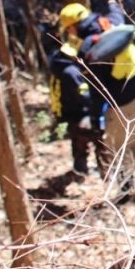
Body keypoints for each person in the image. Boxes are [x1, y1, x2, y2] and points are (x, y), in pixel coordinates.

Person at [62, 0, 135, 203]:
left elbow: (97, 92)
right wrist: (111, 0)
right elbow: (116, 10)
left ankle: (126, 194)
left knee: (119, 147)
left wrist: (95, 120)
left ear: (73, 27)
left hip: (126, 101)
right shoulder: (111, 23)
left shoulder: (90, 50)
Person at [46, 41, 103, 179]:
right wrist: (96, 104)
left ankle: (80, 170)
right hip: (79, 114)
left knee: (77, 143)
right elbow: (83, 95)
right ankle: (104, 170)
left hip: (67, 115)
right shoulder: (71, 72)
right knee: (99, 140)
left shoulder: (57, 68)